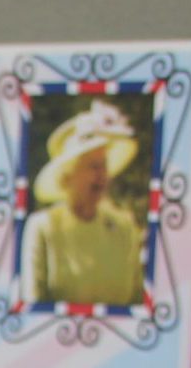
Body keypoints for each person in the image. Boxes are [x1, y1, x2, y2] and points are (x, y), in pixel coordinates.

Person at [21, 99, 146, 308]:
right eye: (92, 166)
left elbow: (138, 303)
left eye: (104, 166)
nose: (102, 175)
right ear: (68, 177)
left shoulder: (124, 226)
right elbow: (33, 306)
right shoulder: (43, 227)